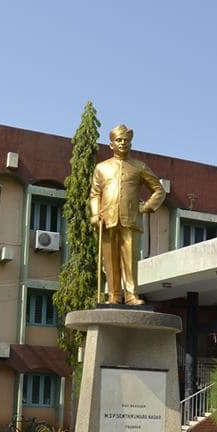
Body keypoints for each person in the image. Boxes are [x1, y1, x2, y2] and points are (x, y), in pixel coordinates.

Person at [90, 124, 165, 305]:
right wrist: (95, 213)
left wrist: (146, 207)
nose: (123, 143)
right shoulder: (101, 168)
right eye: (119, 140)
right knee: (110, 261)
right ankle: (113, 296)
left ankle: (131, 295)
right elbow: (95, 194)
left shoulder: (139, 166)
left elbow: (159, 190)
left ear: (131, 143)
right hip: (107, 220)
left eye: (126, 140)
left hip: (130, 220)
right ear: (111, 144)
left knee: (130, 260)